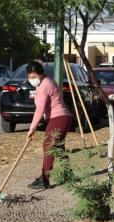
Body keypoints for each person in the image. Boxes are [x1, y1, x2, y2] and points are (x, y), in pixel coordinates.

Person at [26, 61, 73, 189]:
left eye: (34, 77)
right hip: (62, 117)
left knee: (49, 146)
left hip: (59, 117)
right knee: (58, 148)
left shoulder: (45, 85)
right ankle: (67, 174)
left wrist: (32, 128)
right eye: (29, 77)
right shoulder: (43, 83)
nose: (31, 79)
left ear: (41, 74)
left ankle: (44, 179)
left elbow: (40, 109)